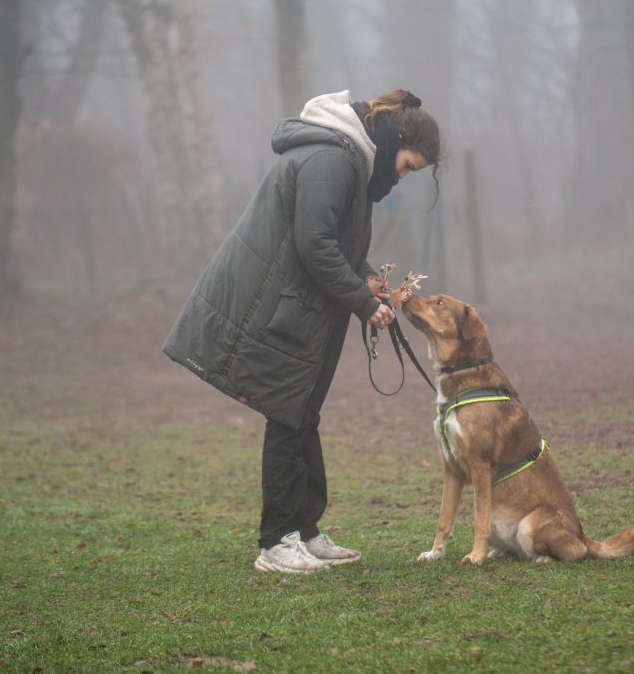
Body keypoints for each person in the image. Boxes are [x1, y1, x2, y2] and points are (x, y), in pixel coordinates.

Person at [163, 89, 442, 573]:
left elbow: (338, 247)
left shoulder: (350, 161)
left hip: (304, 308)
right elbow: (315, 244)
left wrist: (370, 282)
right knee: (287, 416)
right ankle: (276, 542)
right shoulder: (333, 160)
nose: (400, 177)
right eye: (407, 166)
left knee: (303, 415)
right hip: (283, 308)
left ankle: (306, 532)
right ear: (396, 139)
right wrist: (362, 303)